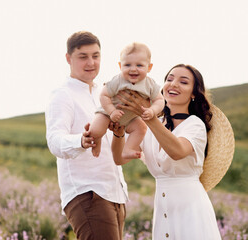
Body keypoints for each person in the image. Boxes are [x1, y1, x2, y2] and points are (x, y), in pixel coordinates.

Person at [111, 64, 222, 239]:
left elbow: (177, 151)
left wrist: (149, 118)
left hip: (191, 209)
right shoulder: (152, 124)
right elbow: (119, 158)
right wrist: (118, 135)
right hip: (163, 210)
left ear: (194, 93)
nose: (173, 84)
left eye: (183, 82)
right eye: (169, 79)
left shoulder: (195, 124)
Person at [45, 31, 129, 240]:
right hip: (88, 194)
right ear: (68, 58)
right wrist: (80, 141)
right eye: (83, 56)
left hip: (115, 193)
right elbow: (54, 140)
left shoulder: (106, 94)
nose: (91, 62)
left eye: (96, 55)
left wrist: (120, 134)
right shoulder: (62, 94)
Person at [89, 42, 164, 158]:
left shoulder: (150, 84)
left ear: (149, 67)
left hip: (131, 118)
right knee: (94, 132)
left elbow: (160, 100)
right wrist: (111, 111)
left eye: (139, 65)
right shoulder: (118, 80)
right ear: (120, 66)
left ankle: (128, 149)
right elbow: (103, 95)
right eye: (127, 65)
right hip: (108, 113)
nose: (133, 69)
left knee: (141, 128)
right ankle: (97, 140)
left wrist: (153, 110)